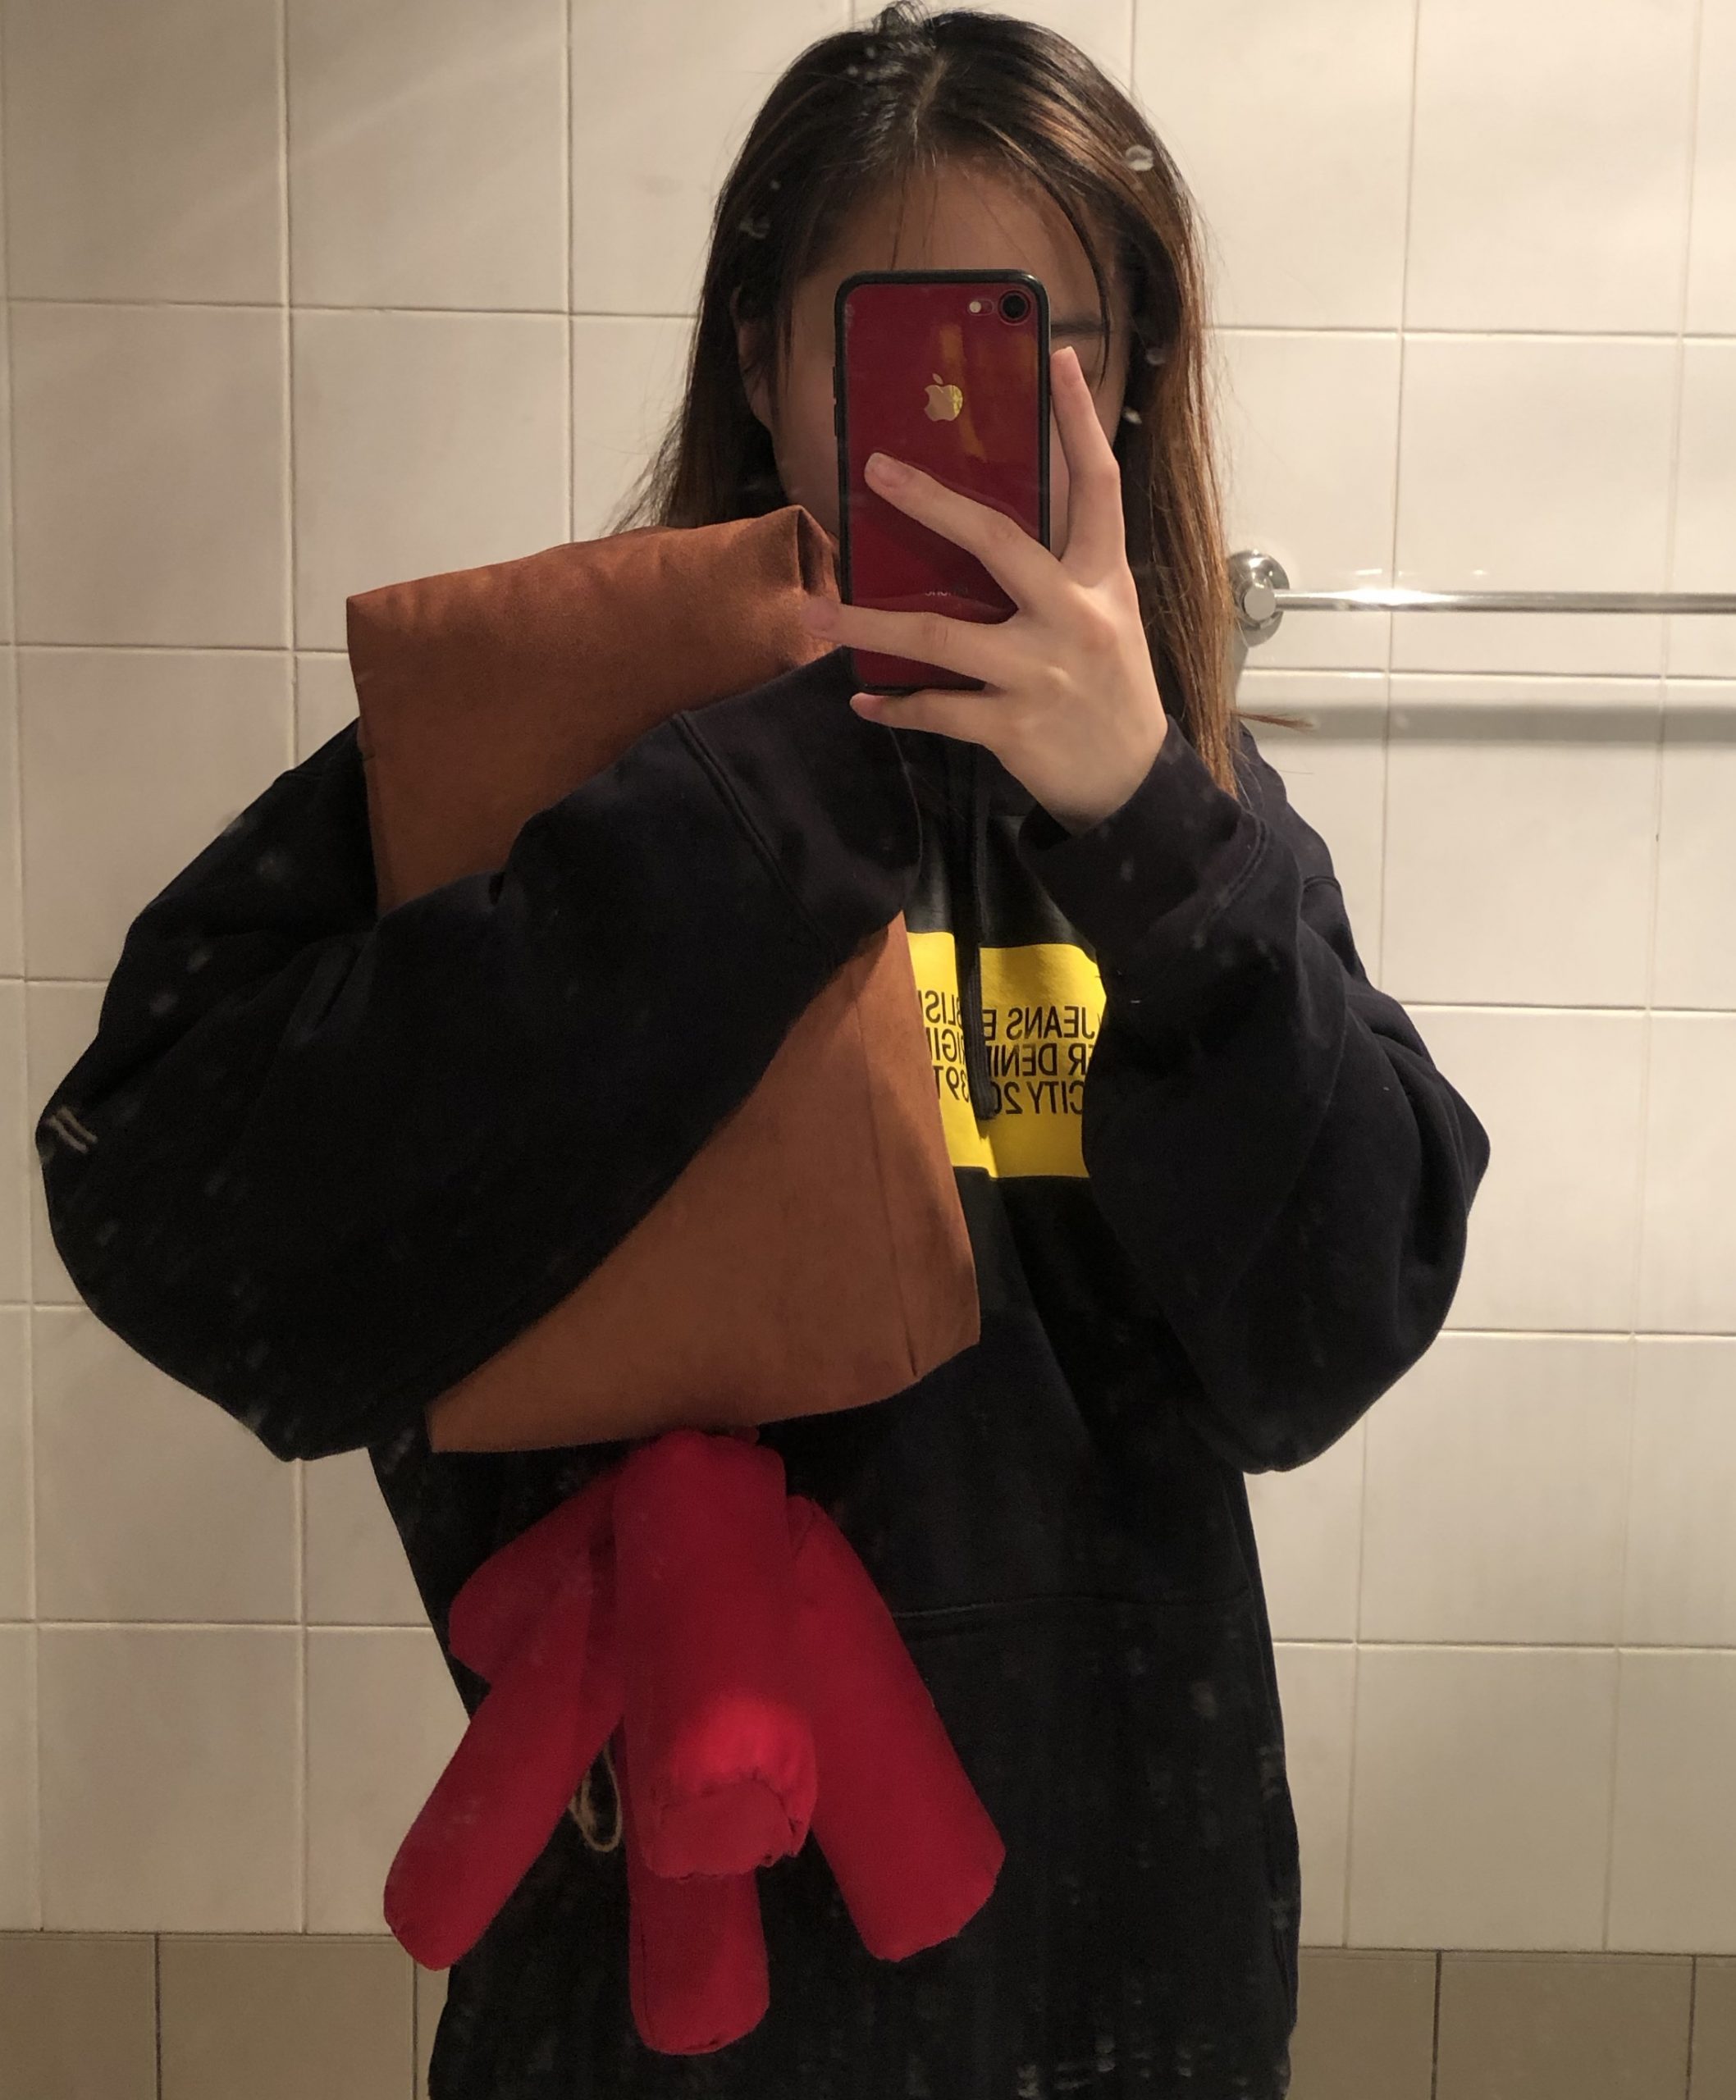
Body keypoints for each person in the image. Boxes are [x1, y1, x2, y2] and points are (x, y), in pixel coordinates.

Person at [37, 7, 1491, 2095]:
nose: (954, 417)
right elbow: (173, 1207)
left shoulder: (1188, 824)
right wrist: (734, 825)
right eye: (893, 340)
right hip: (651, 1978)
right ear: (757, 358)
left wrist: (1149, 833)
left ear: (1122, 386)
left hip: (1112, 1969)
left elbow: (1331, 1330)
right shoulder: (562, 745)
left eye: (1036, 338)